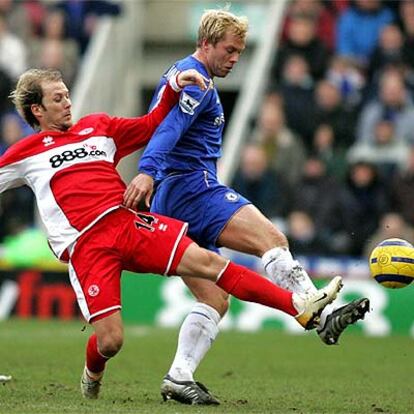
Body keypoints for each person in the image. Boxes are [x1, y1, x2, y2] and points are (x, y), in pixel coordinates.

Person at [0, 68, 343, 402]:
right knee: (111, 341)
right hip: (88, 246)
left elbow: (150, 125)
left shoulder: (97, 127)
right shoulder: (25, 153)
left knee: (208, 263)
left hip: (128, 223)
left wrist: (173, 84)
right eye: (58, 98)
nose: (68, 102)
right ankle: (91, 374)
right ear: (37, 109)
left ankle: (299, 307)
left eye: (67, 95)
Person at [124, 8, 370, 406]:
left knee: (215, 299)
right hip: (192, 190)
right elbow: (168, 129)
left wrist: (153, 175)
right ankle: (320, 316)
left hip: (172, 200)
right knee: (271, 238)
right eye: (230, 50)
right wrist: (147, 171)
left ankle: (178, 375)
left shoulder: (182, 73)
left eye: (239, 51)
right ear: (206, 43)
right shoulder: (198, 82)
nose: (235, 58)